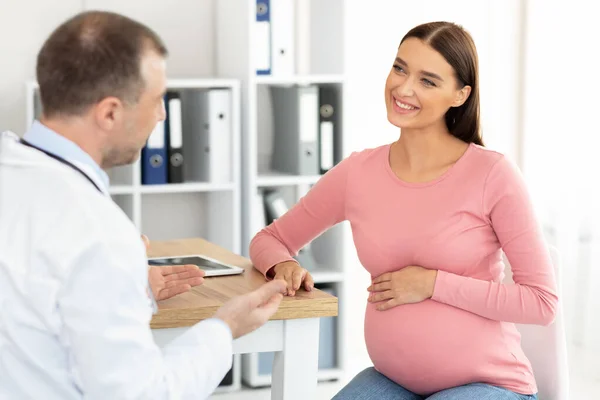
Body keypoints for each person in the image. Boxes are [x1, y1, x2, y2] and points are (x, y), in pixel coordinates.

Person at [250, 21, 558, 399]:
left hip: (487, 385)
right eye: (400, 68)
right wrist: (284, 264)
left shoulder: (492, 174)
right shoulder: (358, 173)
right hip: (393, 380)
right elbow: (271, 239)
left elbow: (542, 302)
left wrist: (432, 284)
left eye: (428, 81)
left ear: (460, 95)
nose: (404, 88)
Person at [0, 10, 286, 399]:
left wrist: (128, 289)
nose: (163, 115)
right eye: (157, 100)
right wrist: (224, 328)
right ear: (111, 113)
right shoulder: (101, 234)